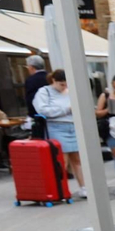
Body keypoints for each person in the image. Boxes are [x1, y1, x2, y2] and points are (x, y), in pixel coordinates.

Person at [34, 69, 87, 200]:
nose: (64, 87)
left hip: (73, 125)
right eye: (61, 84)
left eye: (66, 84)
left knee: (77, 159)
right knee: (61, 160)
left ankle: (83, 187)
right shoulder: (44, 92)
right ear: (53, 81)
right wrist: (66, 109)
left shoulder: (70, 91)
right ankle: (62, 189)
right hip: (56, 126)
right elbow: (42, 110)